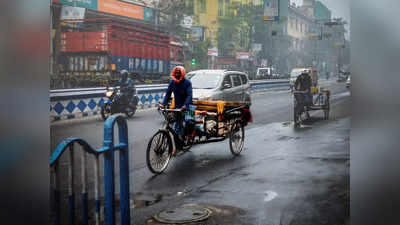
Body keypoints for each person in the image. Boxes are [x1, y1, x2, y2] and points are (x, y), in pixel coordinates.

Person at [161, 66, 193, 138]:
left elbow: (189, 95)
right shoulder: (172, 82)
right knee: (177, 124)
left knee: (189, 123)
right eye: (176, 73)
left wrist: (185, 105)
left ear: (182, 73)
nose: (177, 74)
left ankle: (189, 138)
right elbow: (168, 94)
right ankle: (177, 140)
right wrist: (163, 104)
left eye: (179, 73)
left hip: (188, 106)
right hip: (178, 107)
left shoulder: (187, 83)